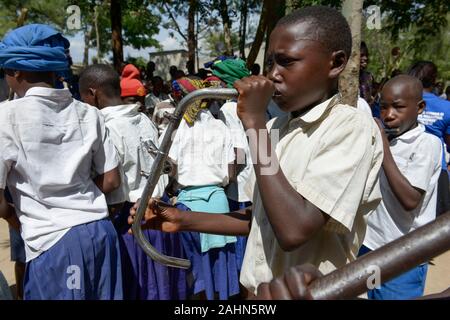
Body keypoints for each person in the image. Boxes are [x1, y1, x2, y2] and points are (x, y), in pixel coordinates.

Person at [130, 6, 383, 297]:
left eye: (287, 62)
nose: (273, 74)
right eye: (271, 62)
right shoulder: (278, 127)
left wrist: (253, 121)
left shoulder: (350, 128)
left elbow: (294, 230)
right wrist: (182, 219)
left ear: (335, 63)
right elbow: (262, 217)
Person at [0, 24, 123, 300]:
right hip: (101, 233)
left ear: (16, 71)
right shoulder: (89, 114)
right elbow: (112, 179)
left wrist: (20, 219)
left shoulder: (5, 117)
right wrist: (77, 195)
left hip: (52, 243)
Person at [79, 64, 185, 300]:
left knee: (139, 287)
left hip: (130, 220)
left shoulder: (103, 127)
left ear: (92, 93)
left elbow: (112, 184)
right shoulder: (143, 119)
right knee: (164, 287)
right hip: (162, 212)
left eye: (82, 96)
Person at [360, 75, 442, 300]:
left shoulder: (427, 144)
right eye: (383, 107)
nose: (388, 115)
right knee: (374, 294)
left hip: (404, 255)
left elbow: (410, 200)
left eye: (398, 107)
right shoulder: (387, 138)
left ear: (420, 108)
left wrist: (383, 147)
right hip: (371, 247)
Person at [166, 76, 240, 300]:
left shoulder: (177, 131)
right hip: (219, 203)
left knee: (196, 270)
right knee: (221, 268)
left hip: (188, 208)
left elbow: (169, 167)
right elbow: (231, 172)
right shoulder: (221, 127)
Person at [408, 61, 450, 216]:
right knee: (438, 221)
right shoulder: (446, 107)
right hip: (438, 170)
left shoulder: (403, 101)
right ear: (434, 79)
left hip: (403, 161)